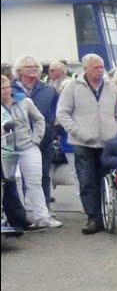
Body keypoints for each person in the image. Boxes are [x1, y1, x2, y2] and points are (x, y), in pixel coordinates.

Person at [55, 53, 117, 234]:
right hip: (82, 143)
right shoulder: (73, 87)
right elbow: (62, 113)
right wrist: (79, 132)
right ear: (85, 68)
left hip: (107, 143)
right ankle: (93, 218)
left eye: (102, 67)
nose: (100, 70)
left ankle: (107, 213)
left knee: (107, 179)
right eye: (96, 67)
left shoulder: (111, 87)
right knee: (87, 181)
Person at [1, 73, 60, 228]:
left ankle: (42, 216)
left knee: (35, 182)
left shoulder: (24, 101)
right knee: (15, 182)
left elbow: (39, 119)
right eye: (2, 88)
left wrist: (36, 139)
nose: (6, 91)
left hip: (27, 146)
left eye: (7, 87)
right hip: (6, 149)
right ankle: (20, 218)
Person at [11, 55, 59, 205]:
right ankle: (19, 210)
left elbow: (56, 111)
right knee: (17, 177)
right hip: (17, 141)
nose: (33, 69)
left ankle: (44, 209)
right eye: (29, 66)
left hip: (44, 140)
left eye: (36, 66)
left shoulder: (49, 90)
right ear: (19, 70)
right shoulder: (9, 89)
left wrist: (52, 129)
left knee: (43, 174)